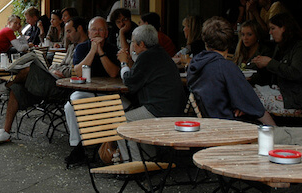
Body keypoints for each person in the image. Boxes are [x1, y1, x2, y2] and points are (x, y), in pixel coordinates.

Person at [0, 18, 89, 145]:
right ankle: (5, 132)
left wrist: (60, 71)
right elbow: (59, 65)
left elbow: (74, 70)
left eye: (69, 31)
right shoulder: (72, 46)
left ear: (80, 29)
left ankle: (6, 86)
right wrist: (54, 69)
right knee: (17, 89)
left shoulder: (86, 48)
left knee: (28, 69)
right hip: (52, 81)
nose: (68, 36)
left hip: (63, 87)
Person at [116, 25, 187, 160]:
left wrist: (124, 63)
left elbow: (130, 82)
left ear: (141, 44)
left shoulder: (147, 57)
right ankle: (148, 159)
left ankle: (133, 162)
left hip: (159, 111)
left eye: (132, 42)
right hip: (173, 109)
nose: (132, 45)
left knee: (122, 122)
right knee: (133, 115)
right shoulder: (160, 54)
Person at [187, 17, 276, 125]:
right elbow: (255, 107)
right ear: (229, 42)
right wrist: (274, 130)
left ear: (205, 41)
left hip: (211, 121)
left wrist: (240, 105)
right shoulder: (226, 67)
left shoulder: (195, 64)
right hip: (229, 125)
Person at [63, 16, 120, 165]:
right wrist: (93, 50)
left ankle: (112, 148)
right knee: (70, 105)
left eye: (101, 29)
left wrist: (100, 52)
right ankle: (77, 147)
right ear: (88, 33)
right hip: (87, 91)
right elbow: (79, 72)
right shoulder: (82, 48)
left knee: (122, 107)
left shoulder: (113, 49)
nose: (97, 33)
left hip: (109, 93)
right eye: (94, 30)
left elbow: (114, 73)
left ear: (106, 33)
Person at [252, 13, 302, 117]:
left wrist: (270, 63)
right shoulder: (279, 47)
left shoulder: (298, 47)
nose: (270, 32)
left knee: (254, 102)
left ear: (283, 28)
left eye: (273, 28)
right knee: (247, 94)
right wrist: (262, 66)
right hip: (277, 91)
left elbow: (296, 73)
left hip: (292, 98)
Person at [234, 19, 272, 85]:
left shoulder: (265, 52)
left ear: (257, 35)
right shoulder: (241, 51)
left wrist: (251, 79)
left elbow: (266, 76)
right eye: (243, 34)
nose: (245, 38)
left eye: (249, 34)